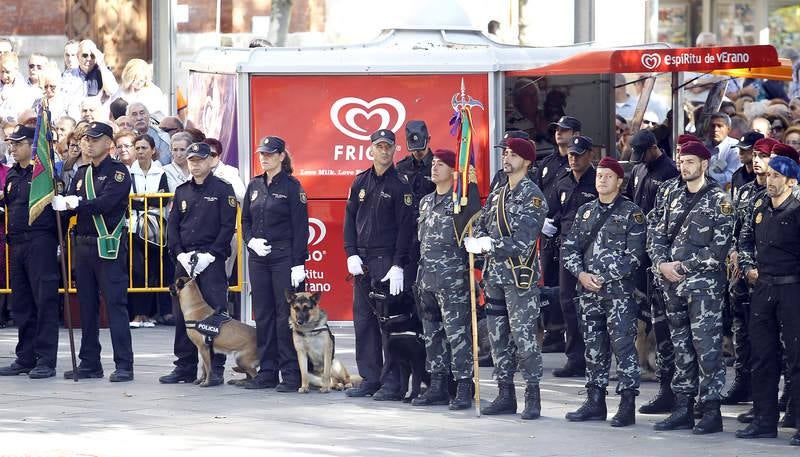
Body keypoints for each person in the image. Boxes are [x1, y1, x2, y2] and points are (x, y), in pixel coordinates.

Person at [648, 141, 735, 434]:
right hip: (671, 285)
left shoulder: (719, 200)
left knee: (706, 348)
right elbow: (655, 231)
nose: (683, 166)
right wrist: (661, 263)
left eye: (689, 161)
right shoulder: (670, 193)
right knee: (680, 347)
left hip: (703, 289)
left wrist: (682, 267)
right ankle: (683, 407)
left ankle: (710, 410)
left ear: (704, 164)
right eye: (681, 161)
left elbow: (719, 249)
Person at [465, 137, 546, 419]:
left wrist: (488, 245)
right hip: (494, 276)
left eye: (512, 154)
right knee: (497, 336)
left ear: (526, 161)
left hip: (518, 277)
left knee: (524, 338)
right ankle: (505, 394)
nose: (506, 158)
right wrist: (475, 238)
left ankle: (532, 396)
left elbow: (523, 241)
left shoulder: (533, 196)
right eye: (505, 153)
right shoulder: (499, 192)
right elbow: (484, 223)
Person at [562, 156, 646, 427]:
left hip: (619, 295)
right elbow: (570, 247)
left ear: (620, 181)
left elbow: (634, 256)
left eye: (608, 176)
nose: (602, 179)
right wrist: (582, 274)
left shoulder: (631, 213)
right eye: (599, 175)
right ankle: (594, 400)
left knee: (623, 347)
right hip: (588, 293)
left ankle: (627, 403)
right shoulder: (586, 211)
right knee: (594, 348)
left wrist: (602, 277)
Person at [53, 121, 134, 382]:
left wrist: (77, 204)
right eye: (86, 138)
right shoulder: (81, 173)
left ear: (109, 143)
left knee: (115, 306)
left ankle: (124, 364)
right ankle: (89, 362)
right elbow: (72, 206)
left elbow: (108, 203)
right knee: (86, 306)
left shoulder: (118, 172)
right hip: (83, 246)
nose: (88, 142)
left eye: (95, 138)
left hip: (107, 245)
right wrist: (61, 209)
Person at [343, 128, 413, 400]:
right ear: (370, 149)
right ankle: (370, 378)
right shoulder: (360, 182)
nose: (384, 151)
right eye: (379, 146)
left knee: (388, 324)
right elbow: (350, 219)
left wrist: (398, 265)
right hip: (362, 261)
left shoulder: (400, 184)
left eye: (388, 147)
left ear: (395, 150)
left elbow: (406, 229)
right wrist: (350, 253)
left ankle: (392, 383)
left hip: (387, 260)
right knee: (364, 322)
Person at [159, 142, 237, 386]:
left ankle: (215, 368)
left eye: (200, 160)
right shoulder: (182, 190)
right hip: (185, 259)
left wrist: (211, 255)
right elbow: (173, 225)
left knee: (214, 313)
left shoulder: (223, 189)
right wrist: (179, 253)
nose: (195, 164)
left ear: (210, 161)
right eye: (191, 160)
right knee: (183, 314)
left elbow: (227, 226)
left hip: (210, 259)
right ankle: (185, 366)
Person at [736, 155, 800, 445]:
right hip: (762, 288)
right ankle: (764, 419)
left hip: (792, 289)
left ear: (791, 181)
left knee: (797, 358)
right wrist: (748, 266)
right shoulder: (759, 204)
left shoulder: (798, 209)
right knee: (762, 356)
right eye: (769, 174)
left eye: (777, 176)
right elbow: (745, 240)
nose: (770, 180)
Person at [240, 136, 308, 391]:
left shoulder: (292, 187)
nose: (264, 158)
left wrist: (298, 263)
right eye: (261, 154)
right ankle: (267, 371)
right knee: (264, 314)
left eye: (269, 154)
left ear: (281, 156)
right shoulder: (255, 185)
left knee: (283, 316)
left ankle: (290, 374)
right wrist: (250, 241)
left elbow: (300, 227)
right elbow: (245, 219)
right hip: (259, 257)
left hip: (283, 256)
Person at [411, 149, 474, 410]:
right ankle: (437, 384)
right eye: (433, 163)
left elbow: (471, 236)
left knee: (457, 334)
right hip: (427, 279)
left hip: (452, 280)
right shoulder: (426, 201)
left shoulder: (460, 201)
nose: (434, 168)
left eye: (441, 164)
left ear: (453, 170)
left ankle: (462, 386)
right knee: (432, 334)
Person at [624, 129, 680, 407]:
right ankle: (652, 372)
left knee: (662, 322)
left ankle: (669, 382)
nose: (640, 159)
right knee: (643, 314)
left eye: (642, 153)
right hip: (639, 251)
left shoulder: (669, 172)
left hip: (661, 254)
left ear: (653, 148)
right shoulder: (639, 170)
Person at [0, 125, 60, 379]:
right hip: (17, 243)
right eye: (11, 144)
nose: (12, 149)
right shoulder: (12, 175)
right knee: (22, 303)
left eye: (18, 144)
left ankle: (46, 358)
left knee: (44, 300)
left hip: (40, 241)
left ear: (31, 146)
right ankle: (25, 356)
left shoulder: (43, 175)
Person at [723, 135, 771, 408]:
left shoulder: (779, 191)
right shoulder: (743, 191)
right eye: (753, 156)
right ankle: (743, 382)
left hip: (765, 274)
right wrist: (733, 251)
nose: (755, 160)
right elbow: (734, 228)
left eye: (760, 155)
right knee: (741, 330)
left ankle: (779, 396)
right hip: (740, 275)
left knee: (769, 339)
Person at [552, 135, 598, 377]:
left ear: (590, 154)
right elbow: (555, 213)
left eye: (579, 154)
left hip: (593, 250)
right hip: (567, 250)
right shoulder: (562, 182)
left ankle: (596, 358)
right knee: (567, 302)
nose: (574, 158)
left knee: (593, 305)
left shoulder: (598, 180)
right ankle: (575, 358)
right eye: (570, 154)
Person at [537, 115, 582, 353]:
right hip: (548, 232)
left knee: (569, 290)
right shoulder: (546, 163)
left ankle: (569, 334)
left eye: (564, 130)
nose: (559, 134)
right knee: (550, 285)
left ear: (575, 134)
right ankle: (553, 332)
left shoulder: (577, 162)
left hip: (568, 233)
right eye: (557, 130)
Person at [127, 134, 169, 328]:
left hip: (154, 227)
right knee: (136, 270)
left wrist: (141, 200)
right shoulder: (128, 172)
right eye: (138, 148)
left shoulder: (161, 173)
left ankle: (149, 314)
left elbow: (163, 200)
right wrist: (148, 200)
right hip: (132, 226)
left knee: (153, 270)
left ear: (153, 150)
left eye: (144, 148)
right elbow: (128, 200)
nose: (141, 151)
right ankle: (137, 314)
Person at [705, 112, 741, 189]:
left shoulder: (734, 147)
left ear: (728, 129)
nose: (715, 129)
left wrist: (706, 175)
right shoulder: (704, 147)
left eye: (719, 126)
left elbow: (730, 177)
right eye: (712, 126)